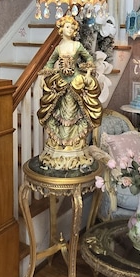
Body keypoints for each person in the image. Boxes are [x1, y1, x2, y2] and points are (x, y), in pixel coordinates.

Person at [37, 14, 102, 170]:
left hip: (75, 82)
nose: (71, 29)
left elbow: (89, 60)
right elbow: (50, 63)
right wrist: (44, 76)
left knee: (73, 112)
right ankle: (60, 143)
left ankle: (73, 143)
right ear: (61, 29)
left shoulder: (77, 46)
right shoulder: (58, 48)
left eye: (73, 27)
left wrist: (86, 75)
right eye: (68, 26)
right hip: (60, 83)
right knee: (58, 110)